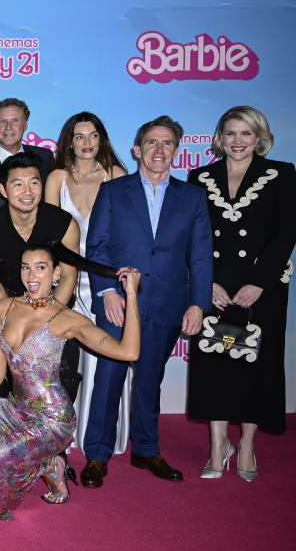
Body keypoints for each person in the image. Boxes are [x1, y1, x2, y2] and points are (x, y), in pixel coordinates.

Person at [0, 243, 142, 520]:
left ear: (56, 274)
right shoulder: (4, 308)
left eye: (40, 268)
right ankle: (50, 464)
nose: (31, 275)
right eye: (25, 267)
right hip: (17, 409)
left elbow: (129, 352)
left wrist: (132, 295)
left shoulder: (66, 319)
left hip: (53, 420)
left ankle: (49, 462)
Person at [81, 115, 213, 489]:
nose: (159, 150)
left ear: (176, 151)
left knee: (149, 380)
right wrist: (107, 292)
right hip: (118, 304)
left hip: (169, 302)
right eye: (152, 143)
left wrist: (198, 304)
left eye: (167, 143)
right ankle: (97, 454)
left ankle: (146, 449)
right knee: (109, 378)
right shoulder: (114, 190)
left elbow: (201, 255)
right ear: (138, 150)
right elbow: (98, 246)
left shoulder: (193, 196)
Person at [187, 106, 295, 482]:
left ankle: (247, 444)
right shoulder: (199, 177)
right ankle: (219, 445)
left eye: (246, 133)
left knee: (256, 364)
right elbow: (195, 237)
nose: (237, 141)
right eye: (230, 133)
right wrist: (206, 281)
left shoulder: (281, 174)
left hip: (262, 287)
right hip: (215, 286)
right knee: (214, 365)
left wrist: (260, 282)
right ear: (220, 137)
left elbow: (285, 234)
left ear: (259, 137)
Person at [44, 111, 129, 457]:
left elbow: (124, 237)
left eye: (93, 136)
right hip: (65, 280)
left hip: (106, 283)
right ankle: (65, 432)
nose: (86, 143)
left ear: (102, 139)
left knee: (103, 356)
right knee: (64, 360)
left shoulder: (117, 175)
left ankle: (100, 432)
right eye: (79, 137)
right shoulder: (56, 179)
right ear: (69, 141)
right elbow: (49, 235)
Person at [0, 151, 80, 393]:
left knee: (58, 386)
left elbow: (68, 276)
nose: (27, 191)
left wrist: (47, 318)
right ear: (2, 189)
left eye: (34, 182)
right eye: (18, 184)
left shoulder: (64, 224)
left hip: (54, 307)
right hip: (7, 306)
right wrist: (12, 316)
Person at [0, 97, 55, 193]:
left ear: (25, 126)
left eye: (15, 120)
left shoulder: (45, 157)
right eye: (3, 121)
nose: (8, 127)